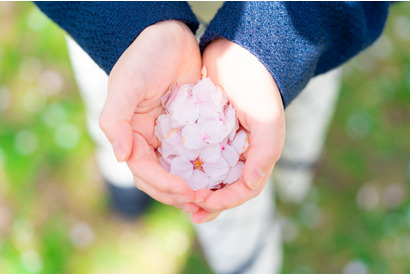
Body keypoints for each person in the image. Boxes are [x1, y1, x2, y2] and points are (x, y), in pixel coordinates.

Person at [35, 2, 391, 273]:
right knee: (124, 111)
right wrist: (132, 21)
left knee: (273, 128)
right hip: (113, 26)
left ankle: (295, 170)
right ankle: (121, 177)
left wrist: (272, 41)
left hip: (300, 26)